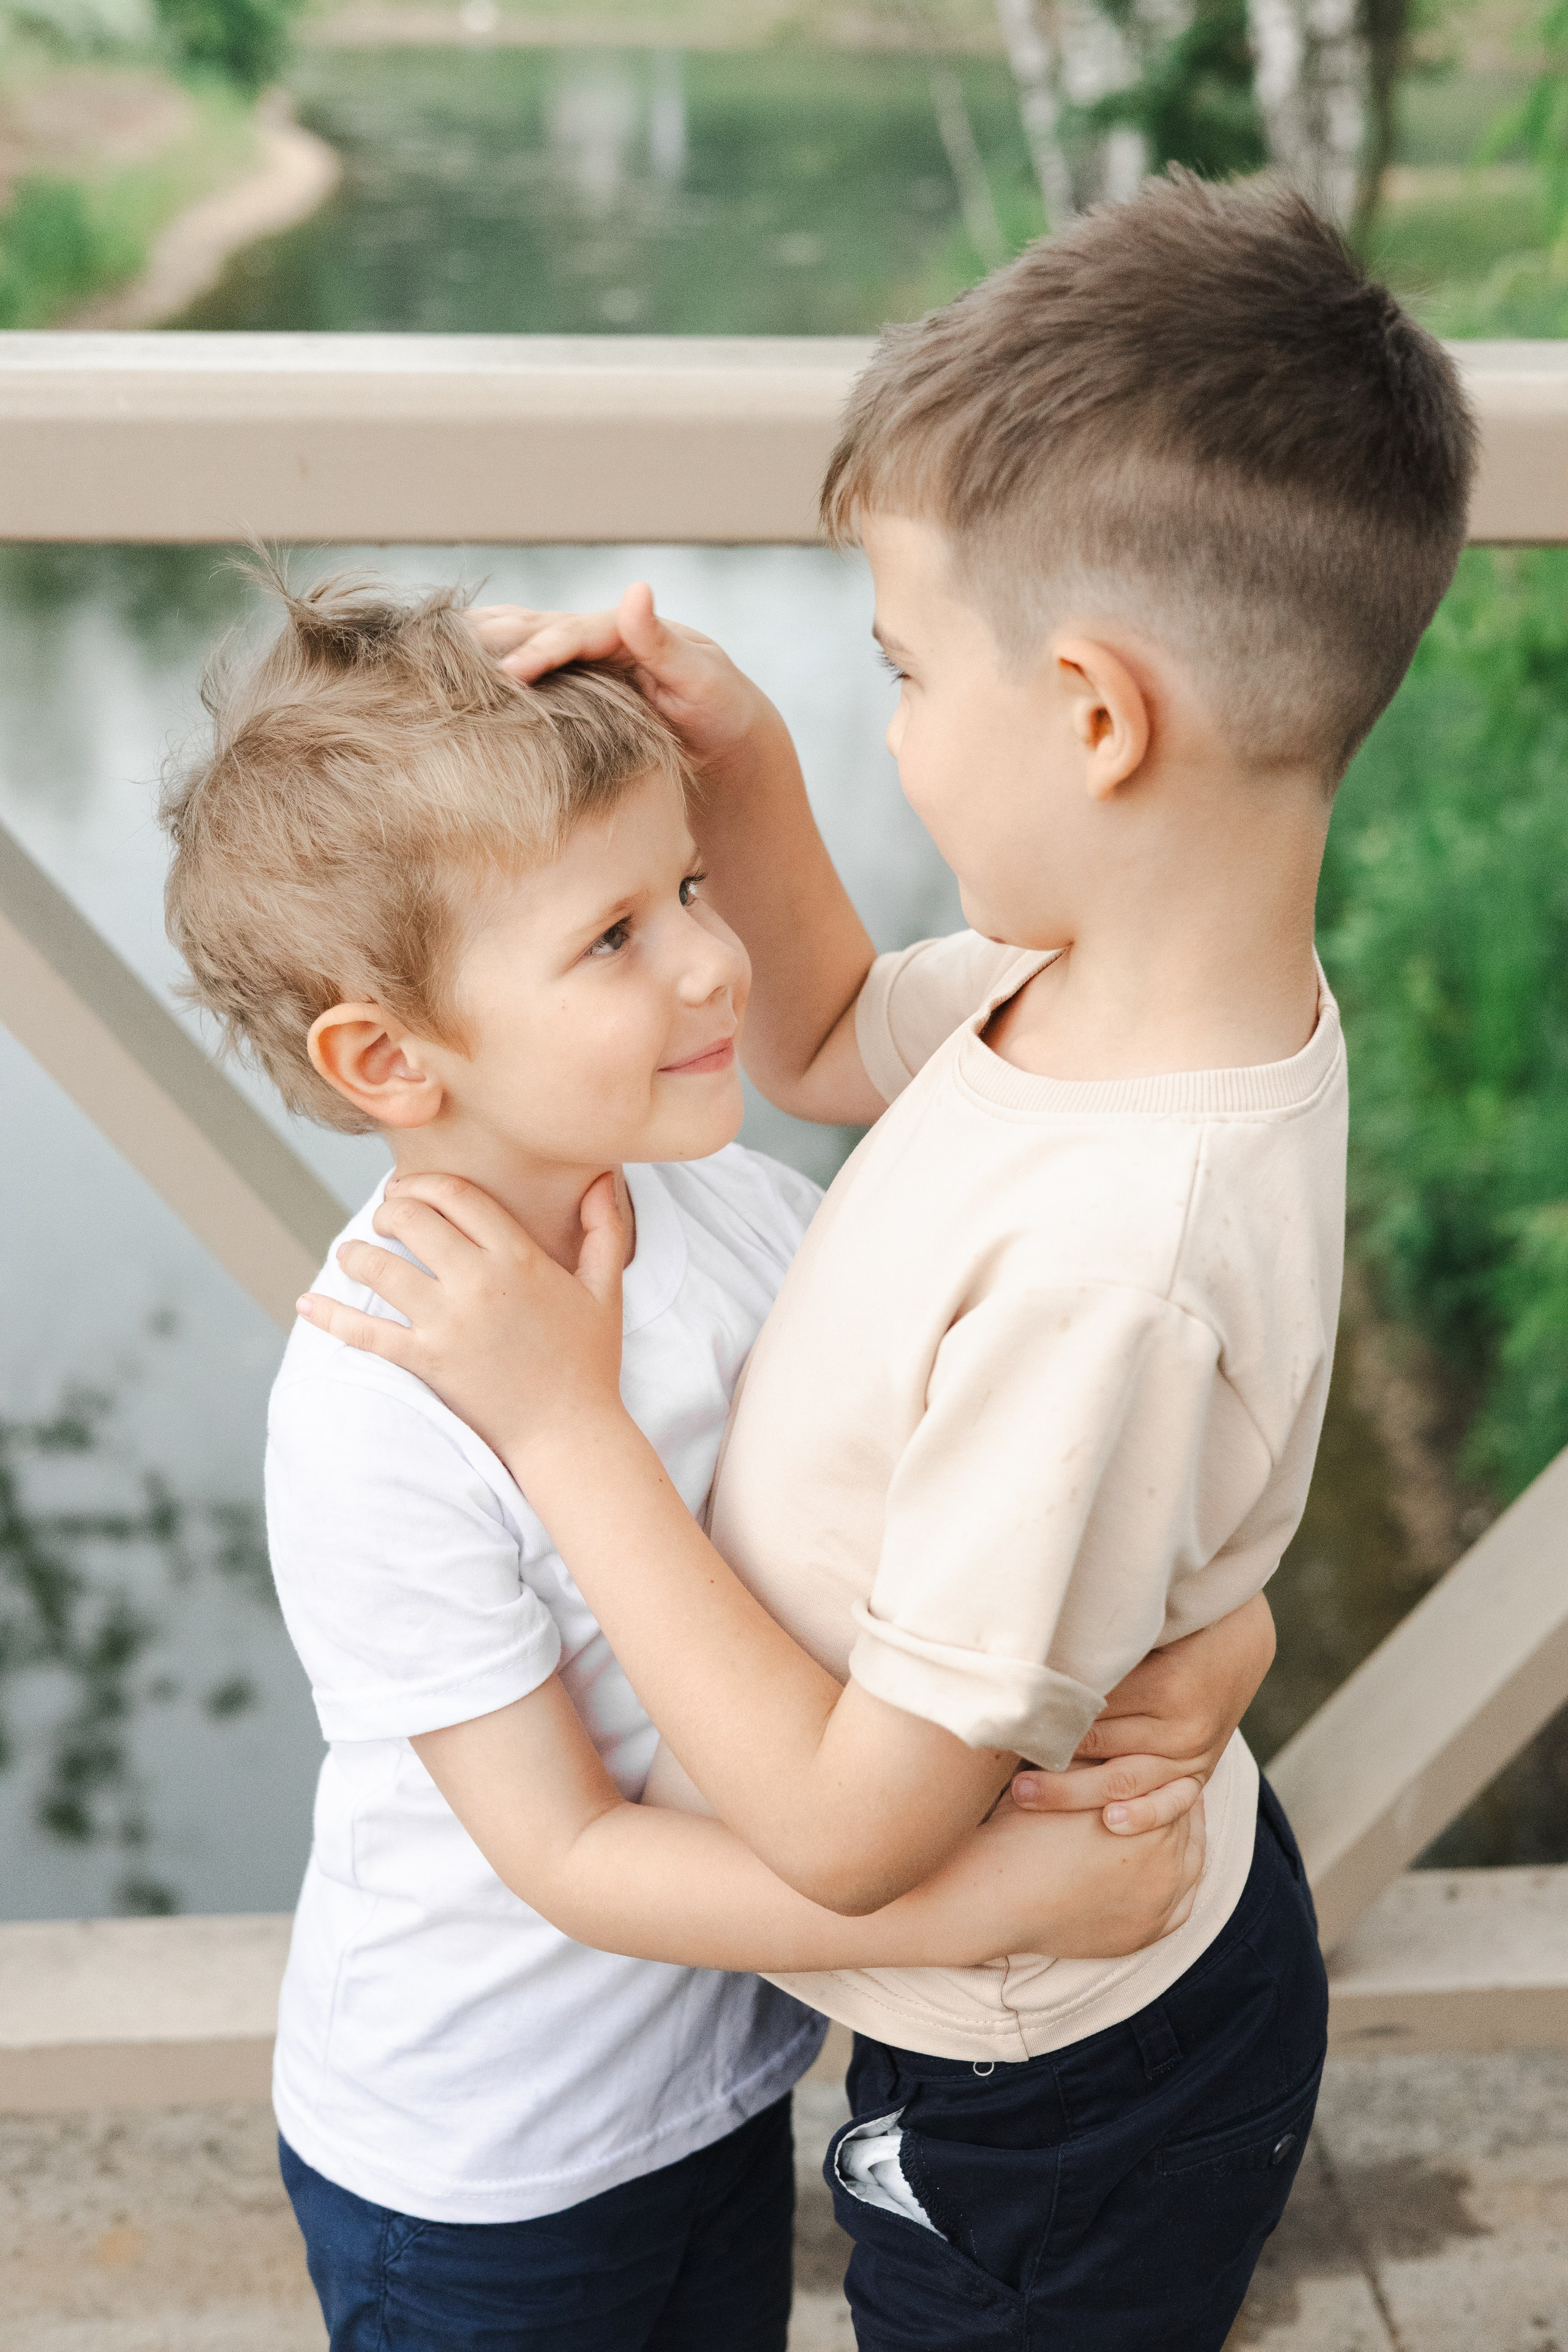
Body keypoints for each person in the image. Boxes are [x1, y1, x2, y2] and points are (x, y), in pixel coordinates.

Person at [303, 174, 1477, 2348]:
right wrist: (735, 750)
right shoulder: (1109, 996)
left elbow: (849, 1834)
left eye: (907, 672)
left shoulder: (1110, 1251)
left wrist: (565, 1418)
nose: (895, 722)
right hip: (1093, 1959)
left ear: (1097, 715)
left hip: (1060, 2081)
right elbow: (835, 1039)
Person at [160, 567, 1261, 2352]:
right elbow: (570, 1853)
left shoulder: (722, 1201)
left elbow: (962, 1512)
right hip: (485, 2166)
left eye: (685, 886)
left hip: (721, 2084)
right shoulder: (379, 1401)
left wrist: (1223, 1645)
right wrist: (994, 1894)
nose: (711, 959)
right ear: (387, 1057)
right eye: (614, 940)